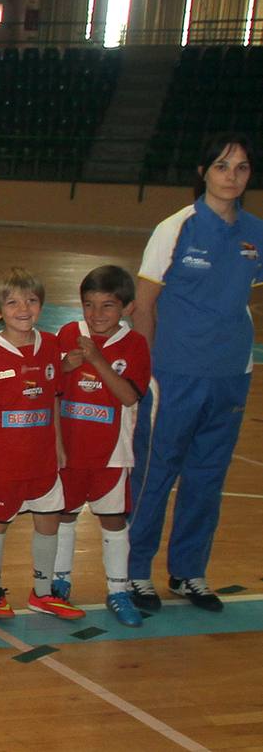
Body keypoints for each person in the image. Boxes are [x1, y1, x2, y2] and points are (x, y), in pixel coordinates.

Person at [128, 135, 262, 613]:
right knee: (154, 474)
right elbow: (144, 304)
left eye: (242, 168)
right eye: (223, 166)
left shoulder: (255, 233)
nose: (232, 175)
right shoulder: (175, 228)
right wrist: (145, 371)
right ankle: (135, 571)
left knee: (207, 477)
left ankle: (188, 571)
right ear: (204, 171)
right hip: (173, 374)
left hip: (231, 373)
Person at [0, 267, 80, 621]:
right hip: (1, 460)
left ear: (41, 305)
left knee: (49, 520)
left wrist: (58, 443)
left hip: (42, 456)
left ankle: (43, 593)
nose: (23, 308)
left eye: (31, 301)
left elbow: (54, 398)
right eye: (12, 303)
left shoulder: (52, 346)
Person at [53, 266, 150, 627]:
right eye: (89, 305)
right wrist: (64, 365)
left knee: (112, 519)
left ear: (127, 308)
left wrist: (97, 360)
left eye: (107, 306)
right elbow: (49, 383)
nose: (96, 315)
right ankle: (58, 582)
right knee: (64, 514)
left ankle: (118, 589)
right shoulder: (67, 334)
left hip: (112, 452)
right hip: (69, 449)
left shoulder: (135, 344)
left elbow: (128, 396)